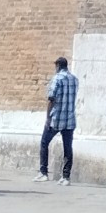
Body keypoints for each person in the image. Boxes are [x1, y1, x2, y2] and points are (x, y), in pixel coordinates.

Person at [39, 57, 78, 185]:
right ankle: (66, 177)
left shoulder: (57, 79)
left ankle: (43, 172)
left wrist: (48, 117)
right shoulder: (74, 79)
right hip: (69, 118)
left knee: (44, 142)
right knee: (68, 147)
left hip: (56, 118)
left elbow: (51, 98)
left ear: (58, 66)